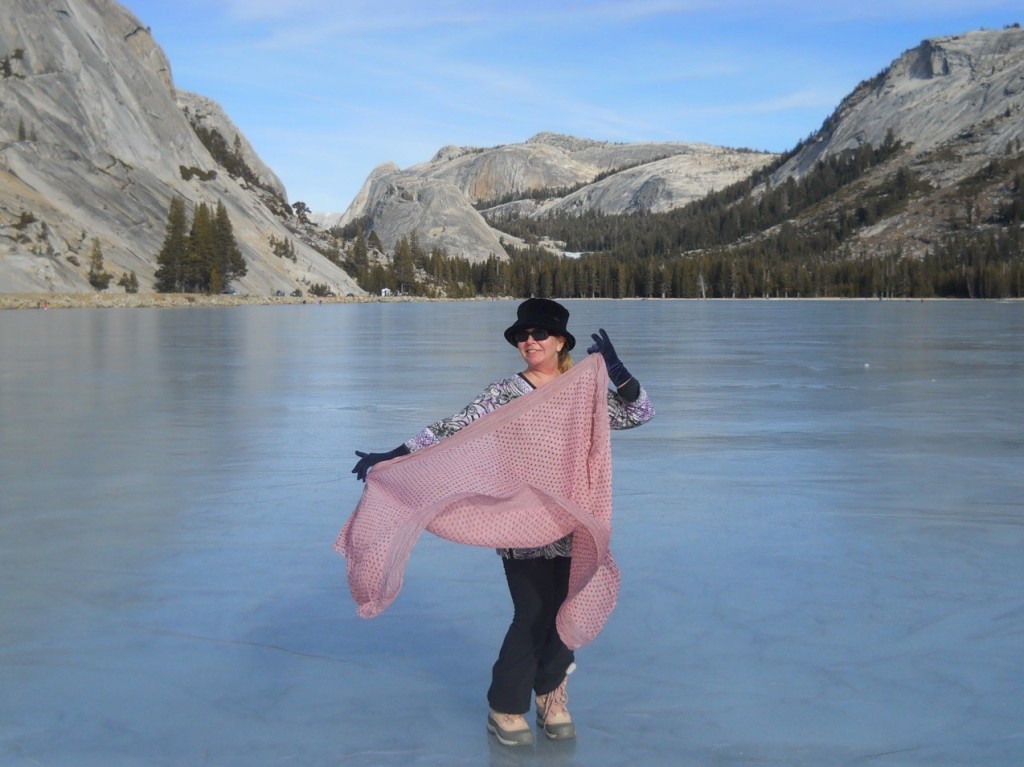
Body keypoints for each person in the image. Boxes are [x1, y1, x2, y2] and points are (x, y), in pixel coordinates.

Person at [351, 298, 654, 747]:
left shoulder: (579, 389)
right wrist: (397, 454)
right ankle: (506, 706)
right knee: (532, 611)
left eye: (539, 334)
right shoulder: (505, 393)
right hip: (522, 518)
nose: (530, 341)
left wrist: (618, 373)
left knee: (566, 603)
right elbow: (454, 427)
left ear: (560, 342)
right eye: (522, 336)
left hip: (573, 516)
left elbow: (637, 413)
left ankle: (553, 695)